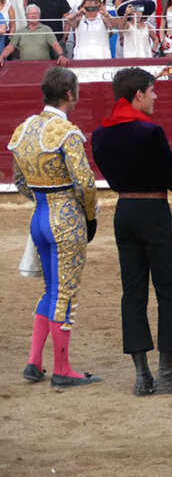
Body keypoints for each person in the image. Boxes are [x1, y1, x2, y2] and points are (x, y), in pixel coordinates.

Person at [90, 67, 172, 395]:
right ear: (138, 95)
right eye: (152, 91)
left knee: (132, 292)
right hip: (154, 212)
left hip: (124, 212)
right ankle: (165, 374)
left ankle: (141, 376)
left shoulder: (99, 135)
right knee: (170, 290)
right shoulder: (150, 133)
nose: (156, 97)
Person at [10, 67, 101, 388]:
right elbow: (86, 183)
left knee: (50, 291)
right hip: (66, 219)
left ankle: (34, 362)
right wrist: (89, 217)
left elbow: (19, 180)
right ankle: (62, 369)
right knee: (65, 294)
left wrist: (41, 199)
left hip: (39, 217)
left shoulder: (23, 130)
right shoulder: (67, 132)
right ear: (68, 95)